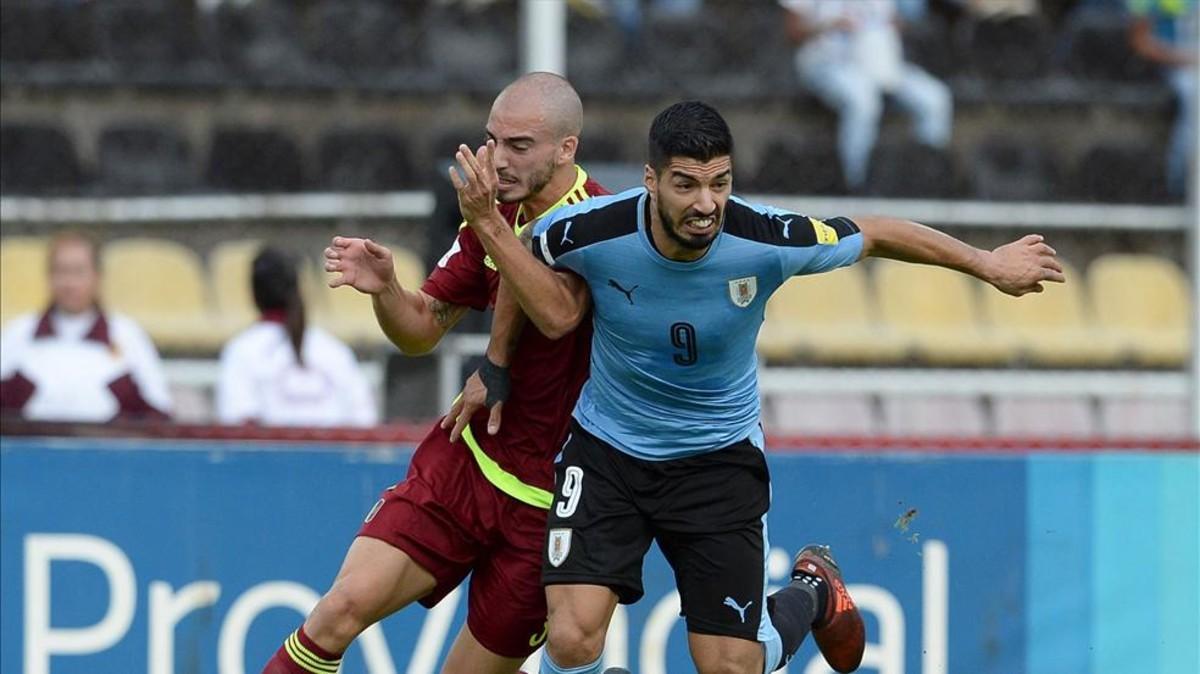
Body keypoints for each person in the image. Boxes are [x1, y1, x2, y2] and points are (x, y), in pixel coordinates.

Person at [451, 101, 1064, 674]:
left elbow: (873, 232)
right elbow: (525, 255)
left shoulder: (766, 240)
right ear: (651, 180)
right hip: (607, 451)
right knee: (570, 636)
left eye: (719, 183)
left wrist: (987, 263)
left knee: (730, 665)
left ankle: (814, 591)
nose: (706, 203)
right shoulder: (587, 229)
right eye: (687, 184)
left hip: (716, 460)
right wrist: (496, 365)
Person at [261, 72, 610, 674]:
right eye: (492, 140)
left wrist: (489, 224)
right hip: (466, 462)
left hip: (550, 505)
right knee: (338, 611)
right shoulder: (493, 209)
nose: (498, 160)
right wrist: (386, 290)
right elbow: (421, 330)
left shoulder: (600, 222)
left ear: (566, 149)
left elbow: (557, 315)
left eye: (519, 146)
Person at [781, 0, 953, 192]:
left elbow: (904, 20)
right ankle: (855, 184)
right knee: (863, 102)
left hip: (880, 67)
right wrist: (830, 25)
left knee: (935, 99)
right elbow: (792, 32)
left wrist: (887, 30)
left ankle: (927, 180)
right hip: (827, 64)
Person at [0, 231, 171, 422]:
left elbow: (159, 412)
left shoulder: (128, 335)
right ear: (49, 277)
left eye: (79, 272)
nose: (69, 283)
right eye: (61, 271)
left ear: (97, 277)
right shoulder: (18, 333)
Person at [216, 246, 377, 428]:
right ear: (299, 288)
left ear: (254, 293)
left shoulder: (241, 351)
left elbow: (239, 427)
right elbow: (364, 422)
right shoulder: (335, 351)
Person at [1128, 0, 1197, 199]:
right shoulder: (1153, 4)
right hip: (1173, 72)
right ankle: (1180, 183)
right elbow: (1140, 41)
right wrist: (1186, 59)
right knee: (1193, 94)